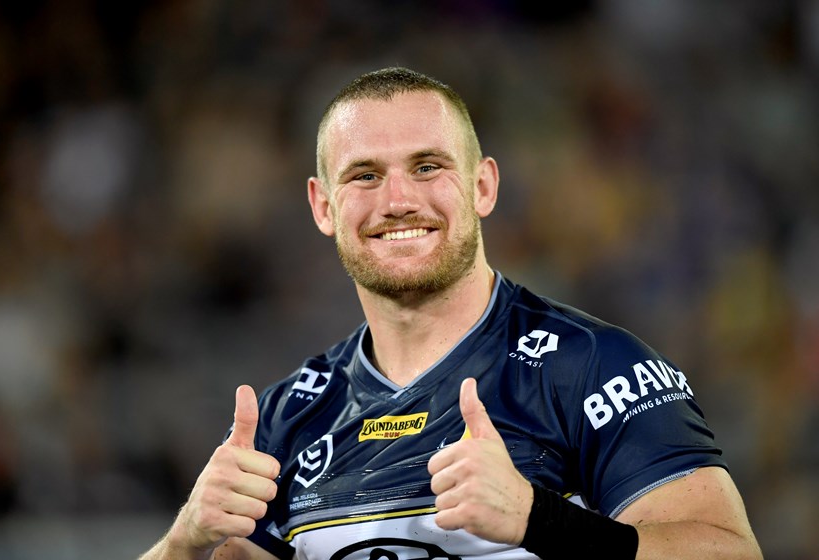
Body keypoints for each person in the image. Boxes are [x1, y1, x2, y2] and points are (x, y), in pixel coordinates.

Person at [140, 67, 762, 560]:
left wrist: (539, 518)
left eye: (427, 167)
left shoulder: (594, 367)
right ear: (323, 206)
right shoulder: (286, 419)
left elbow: (731, 553)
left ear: (483, 186)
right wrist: (184, 542)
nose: (398, 200)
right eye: (365, 175)